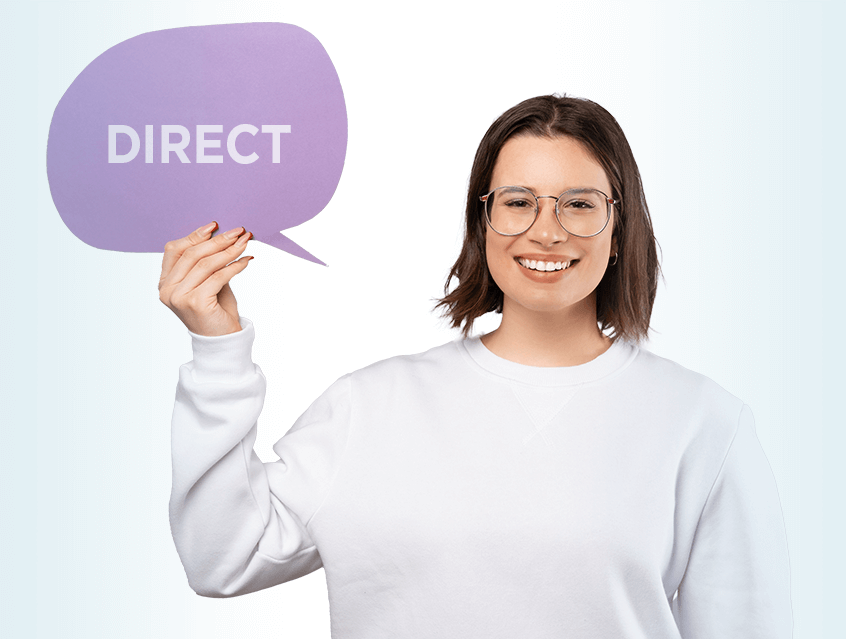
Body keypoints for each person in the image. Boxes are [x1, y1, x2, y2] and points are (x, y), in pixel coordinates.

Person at [159, 95, 793, 638]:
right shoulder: (370, 407)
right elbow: (222, 557)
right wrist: (218, 352)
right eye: (518, 202)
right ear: (482, 220)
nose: (546, 231)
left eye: (579, 204)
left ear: (620, 227)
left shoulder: (702, 423)